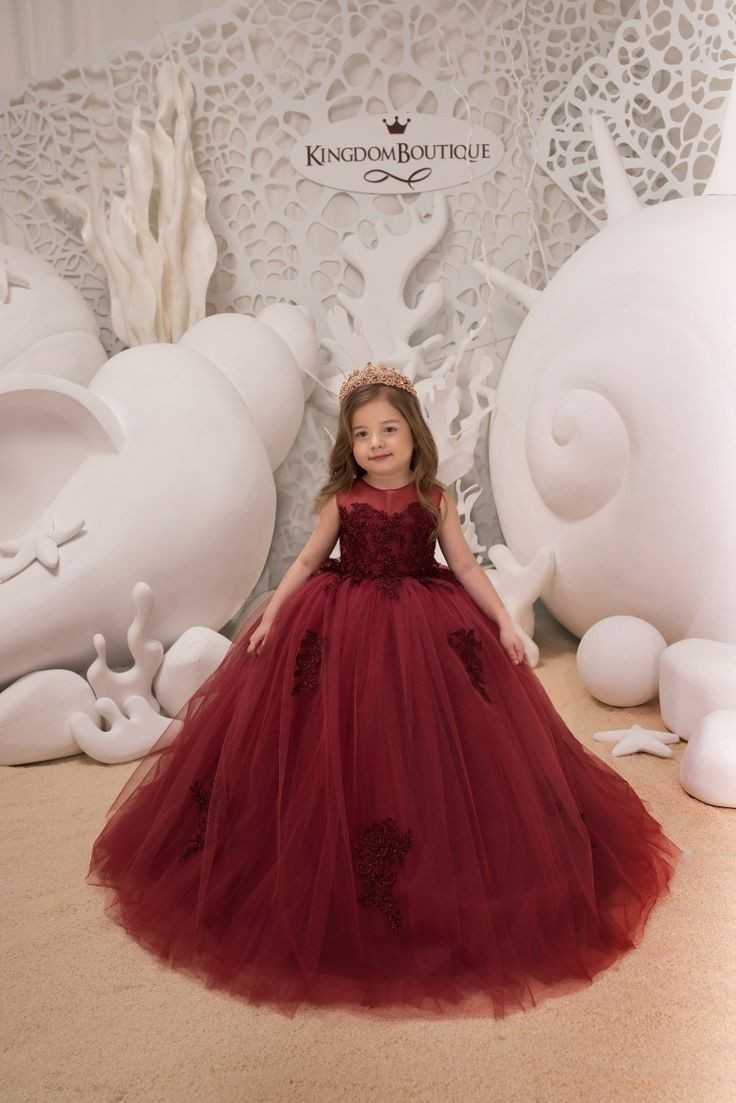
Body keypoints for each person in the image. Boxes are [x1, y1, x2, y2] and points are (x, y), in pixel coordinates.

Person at [86, 362, 682, 1021]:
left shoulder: (434, 499)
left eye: (388, 429)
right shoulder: (343, 502)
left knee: (439, 742)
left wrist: (505, 622)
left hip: (427, 624)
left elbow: (464, 565)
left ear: (412, 432)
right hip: (342, 622)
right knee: (336, 738)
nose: (376, 443)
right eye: (363, 433)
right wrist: (275, 614)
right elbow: (307, 561)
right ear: (350, 442)